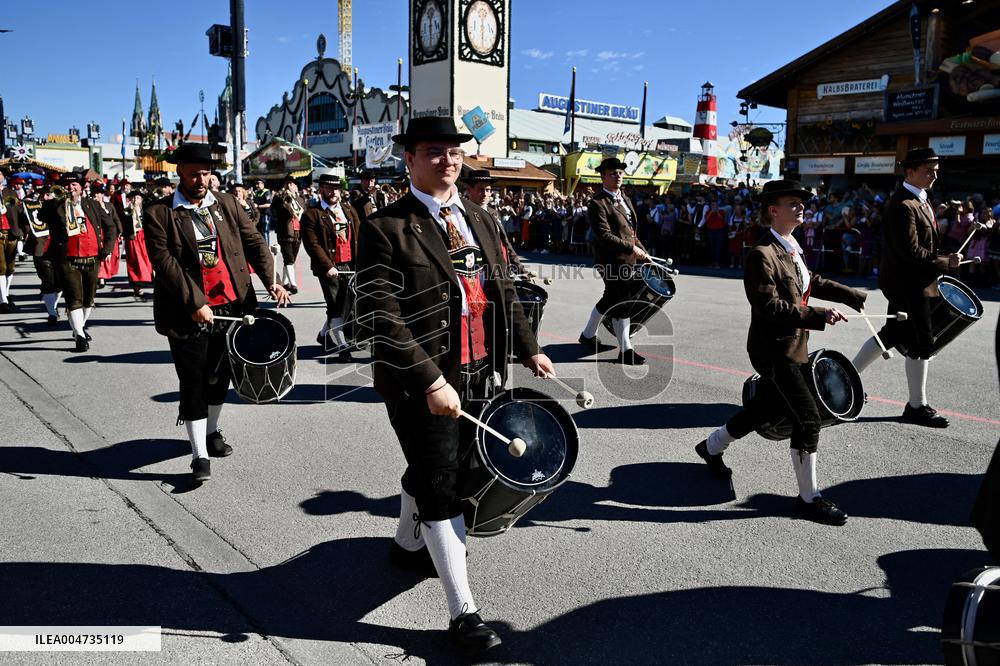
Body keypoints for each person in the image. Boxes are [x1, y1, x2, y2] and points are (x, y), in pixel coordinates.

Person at [356, 116, 554, 656]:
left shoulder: (482, 220)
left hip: (479, 369)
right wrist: (430, 379)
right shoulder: (384, 227)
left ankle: (405, 543)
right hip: (422, 379)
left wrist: (529, 346)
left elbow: (504, 291)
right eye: (433, 151)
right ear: (410, 160)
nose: (447, 160)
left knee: (447, 466)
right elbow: (381, 314)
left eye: (454, 151)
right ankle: (463, 612)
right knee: (443, 487)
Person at [694, 180, 867, 526]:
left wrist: (849, 295)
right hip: (774, 349)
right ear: (773, 210)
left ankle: (711, 446)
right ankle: (809, 498)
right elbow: (769, 306)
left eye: (802, 203)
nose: (801, 207)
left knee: (766, 407)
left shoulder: (789, 246)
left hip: (795, 345)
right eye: (794, 203)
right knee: (808, 418)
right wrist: (818, 315)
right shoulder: (762, 254)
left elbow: (809, 280)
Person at [143, 143, 290, 484]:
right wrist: (195, 302)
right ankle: (199, 455)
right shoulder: (159, 213)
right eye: (194, 174)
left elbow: (254, 241)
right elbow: (165, 263)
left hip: (234, 307)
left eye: (206, 173)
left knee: (220, 376)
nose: (201, 180)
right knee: (193, 380)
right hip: (188, 311)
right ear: (179, 172)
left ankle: (211, 431)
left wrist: (272, 281)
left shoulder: (225, 204)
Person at [851, 148, 962, 428]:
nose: (934, 174)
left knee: (894, 334)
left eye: (936, 170)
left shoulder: (920, 200)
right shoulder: (903, 204)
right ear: (910, 171)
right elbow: (909, 251)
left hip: (917, 282)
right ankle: (916, 405)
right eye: (928, 170)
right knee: (922, 342)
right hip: (908, 285)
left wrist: (944, 257)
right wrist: (943, 261)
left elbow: (922, 248)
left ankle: (844, 377)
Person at [578, 157, 650, 365]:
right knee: (622, 301)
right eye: (613, 173)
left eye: (620, 172)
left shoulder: (625, 199)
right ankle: (626, 350)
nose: (618, 176)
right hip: (610, 261)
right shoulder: (597, 203)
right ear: (603, 177)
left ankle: (587, 335)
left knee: (610, 298)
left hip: (629, 259)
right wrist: (632, 249)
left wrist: (643, 253)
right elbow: (604, 236)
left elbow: (632, 233)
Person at [42, 170, 116, 351]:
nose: (70, 187)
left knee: (88, 299)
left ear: (82, 188)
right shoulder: (56, 205)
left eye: (74, 184)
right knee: (73, 298)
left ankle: (79, 327)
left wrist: (106, 250)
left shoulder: (92, 204)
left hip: (92, 257)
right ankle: (80, 336)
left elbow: (111, 226)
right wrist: (50, 202)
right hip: (67, 259)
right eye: (67, 184)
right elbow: (41, 217)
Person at [301, 173, 359, 361]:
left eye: (336, 188)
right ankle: (343, 347)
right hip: (329, 267)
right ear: (321, 190)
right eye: (329, 188)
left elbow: (359, 236)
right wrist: (327, 265)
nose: (333, 192)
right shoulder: (312, 214)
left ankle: (323, 335)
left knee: (346, 303)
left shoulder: (349, 210)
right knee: (335, 305)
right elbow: (312, 245)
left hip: (350, 264)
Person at [461, 169, 526, 278]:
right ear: (469, 190)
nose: (485, 194)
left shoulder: (494, 213)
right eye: (480, 189)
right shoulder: (463, 214)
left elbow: (505, 243)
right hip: (479, 272)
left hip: (501, 270)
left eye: (488, 190)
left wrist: (520, 270)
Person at [271, 175, 305, 294]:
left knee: (291, 259)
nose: (290, 185)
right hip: (285, 232)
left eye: (292, 184)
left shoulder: (301, 199)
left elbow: (303, 213)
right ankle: (293, 285)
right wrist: (282, 199)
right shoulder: (279, 197)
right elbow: (274, 210)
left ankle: (285, 282)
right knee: (289, 258)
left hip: (298, 232)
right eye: (288, 183)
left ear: (296, 187)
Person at [122, 190, 154, 299]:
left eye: (138, 198)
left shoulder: (146, 211)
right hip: (133, 238)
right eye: (133, 198)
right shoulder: (127, 211)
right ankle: (137, 286)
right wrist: (132, 209)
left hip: (144, 238)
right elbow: (125, 224)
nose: (136, 200)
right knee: (134, 261)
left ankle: (146, 280)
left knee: (146, 260)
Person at [93, 182, 122, 290]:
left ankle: (103, 276)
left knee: (108, 255)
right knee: (98, 255)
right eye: (95, 194)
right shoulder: (90, 206)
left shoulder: (109, 205)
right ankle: (100, 277)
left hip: (108, 233)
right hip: (97, 233)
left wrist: (120, 231)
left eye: (99, 194)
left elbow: (115, 219)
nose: (97, 196)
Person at [0, 177, 23, 313]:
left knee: (10, 267)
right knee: (1, 267)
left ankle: (6, 294)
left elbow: (19, 212)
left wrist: (24, 231)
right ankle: (3, 301)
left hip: (11, 233)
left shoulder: (10, 193)